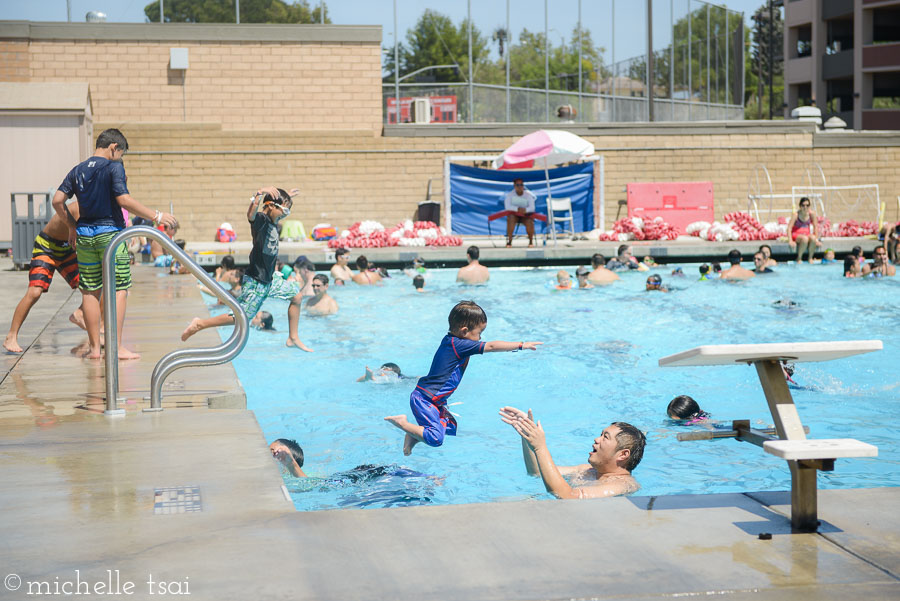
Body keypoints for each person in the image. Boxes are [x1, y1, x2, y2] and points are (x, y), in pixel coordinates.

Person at [52, 128, 177, 360]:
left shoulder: (78, 169)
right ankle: (117, 347)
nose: (120, 159)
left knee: (90, 290)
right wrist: (156, 216)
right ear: (113, 148)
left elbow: (58, 200)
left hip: (85, 236)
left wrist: (71, 226)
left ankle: (94, 350)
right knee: (120, 288)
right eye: (121, 154)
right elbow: (123, 200)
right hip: (111, 235)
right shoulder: (113, 167)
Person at [384, 300, 542, 455]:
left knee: (449, 426)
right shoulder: (459, 345)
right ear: (464, 331)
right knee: (435, 439)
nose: (480, 338)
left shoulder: (452, 342)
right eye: (479, 333)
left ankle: (413, 436)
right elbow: (492, 346)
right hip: (426, 399)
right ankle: (402, 423)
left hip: (433, 399)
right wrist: (522, 345)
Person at [181, 186, 313, 352]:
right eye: (285, 209)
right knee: (241, 317)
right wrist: (258, 195)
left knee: (297, 296)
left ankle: (293, 337)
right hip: (256, 281)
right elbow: (250, 214)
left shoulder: (273, 221)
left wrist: (286, 195)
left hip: (269, 280)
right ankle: (200, 324)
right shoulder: (261, 221)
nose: (286, 213)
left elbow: (277, 202)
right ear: (271, 206)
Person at [499, 406, 644, 499]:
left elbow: (569, 497)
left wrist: (540, 447)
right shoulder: (587, 470)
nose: (596, 439)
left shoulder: (624, 485)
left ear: (623, 454)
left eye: (605, 437)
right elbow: (536, 472)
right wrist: (527, 436)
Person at [4, 207, 86, 353]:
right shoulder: (79, 208)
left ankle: (80, 314)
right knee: (35, 292)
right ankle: (11, 336)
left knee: (92, 286)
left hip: (67, 249)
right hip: (46, 247)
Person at [785, 196, 821, 263]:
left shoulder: (811, 214)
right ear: (800, 206)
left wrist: (816, 239)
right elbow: (789, 228)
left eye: (807, 205)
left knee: (812, 238)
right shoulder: (796, 215)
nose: (805, 207)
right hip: (796, 234)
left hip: (806, 234)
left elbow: (815, 227)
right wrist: (790, 240)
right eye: (803, 205)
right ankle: (799, 258)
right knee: (805, 239)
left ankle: (810, 257)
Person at [503, 178, 537, 247]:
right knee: (510, 218)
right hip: (514, 215)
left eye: (521, 185)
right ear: (514, 186)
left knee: (530, 221)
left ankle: (531, 242)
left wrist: (525, 210)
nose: (520, 187)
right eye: (518, 185)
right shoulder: (510, 195)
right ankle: (509, 241)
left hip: (525, 215)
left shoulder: (528, 195)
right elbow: (507, 207)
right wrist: (517, 209)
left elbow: (532, 208)